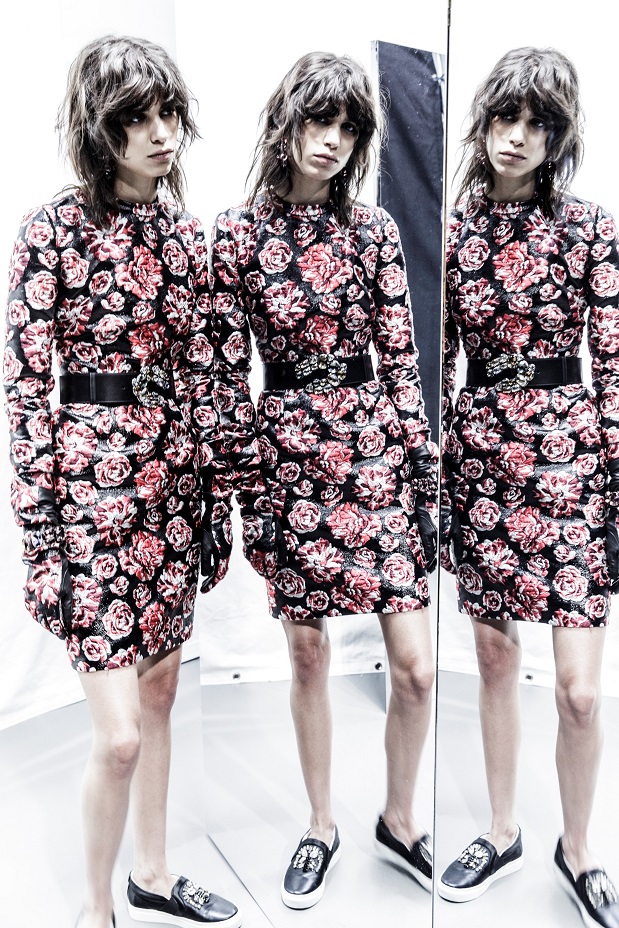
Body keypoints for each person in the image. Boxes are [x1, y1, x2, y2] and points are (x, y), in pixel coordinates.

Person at [3, 35, 240, 928]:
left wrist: (213, 504)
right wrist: (43, 542)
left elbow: (204, 376)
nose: (161, 132)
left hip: (171, 489)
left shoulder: (183, 236)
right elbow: (25, 393)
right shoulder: (51, 232)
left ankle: (153, 873)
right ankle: (95, 909)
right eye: (138, 117)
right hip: (91, 503)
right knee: (118, 736)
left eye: (169, 113)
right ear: (100, 128)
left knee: (162, 694)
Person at [209, 50, 437, 910]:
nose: (333, 140)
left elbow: (402, 362)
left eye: (348, 127)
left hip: (371, 450)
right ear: (286, 121)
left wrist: (420, 479)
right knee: (307, 654)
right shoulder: (237, 234)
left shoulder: (372, 230)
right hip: (287, 455)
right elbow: (225, 379)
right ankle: (319, 823)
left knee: (414, 667)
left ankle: (399, 819)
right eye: (319, 120)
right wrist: (247, 499)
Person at [440, 46, 619, 928]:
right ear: (484, 123)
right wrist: (433, 481)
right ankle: (503, 829)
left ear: (558, 137)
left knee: (579, 690)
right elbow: (432, 365)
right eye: (505, 118)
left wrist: (613, 487)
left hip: (568, 460)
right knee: (494, 659)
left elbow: (614, 363)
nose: (515, 137)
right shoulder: (453, 235)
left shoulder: (588, 228)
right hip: (480, 455)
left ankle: (577, 848)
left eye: (536, 124)